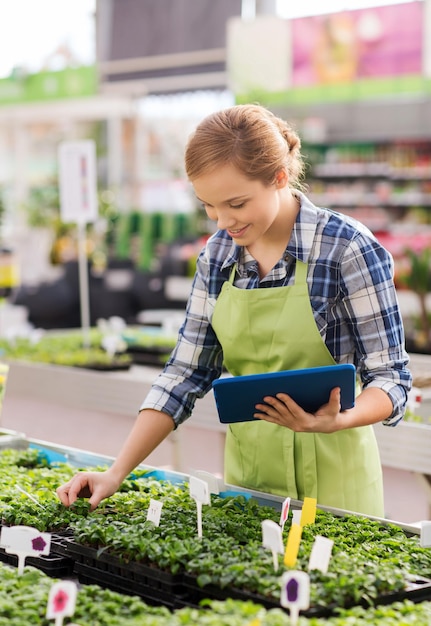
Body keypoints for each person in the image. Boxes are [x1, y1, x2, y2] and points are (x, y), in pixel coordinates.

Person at [57, 104, 412, 517]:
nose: (223, 221)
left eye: (237, 203)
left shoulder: (346, 248)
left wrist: (337, 419)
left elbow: (391, 379)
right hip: (250, 483)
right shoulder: (217, 256)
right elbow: (185, 373)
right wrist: (116, 472)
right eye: (208, 205)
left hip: (337, 488)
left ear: (279, 177)